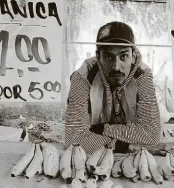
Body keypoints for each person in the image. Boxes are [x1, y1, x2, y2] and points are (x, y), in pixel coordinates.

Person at [65, 21, 161, 154]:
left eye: (124, 56)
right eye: (109, 57)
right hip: (96, 158)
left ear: (133, 56)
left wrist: (102, 129)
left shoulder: (143, 76)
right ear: (98, 57)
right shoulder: (81, 78)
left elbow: (152, 136)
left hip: (125, 156)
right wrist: (126, 146)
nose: (116, 66)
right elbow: (73, 140)